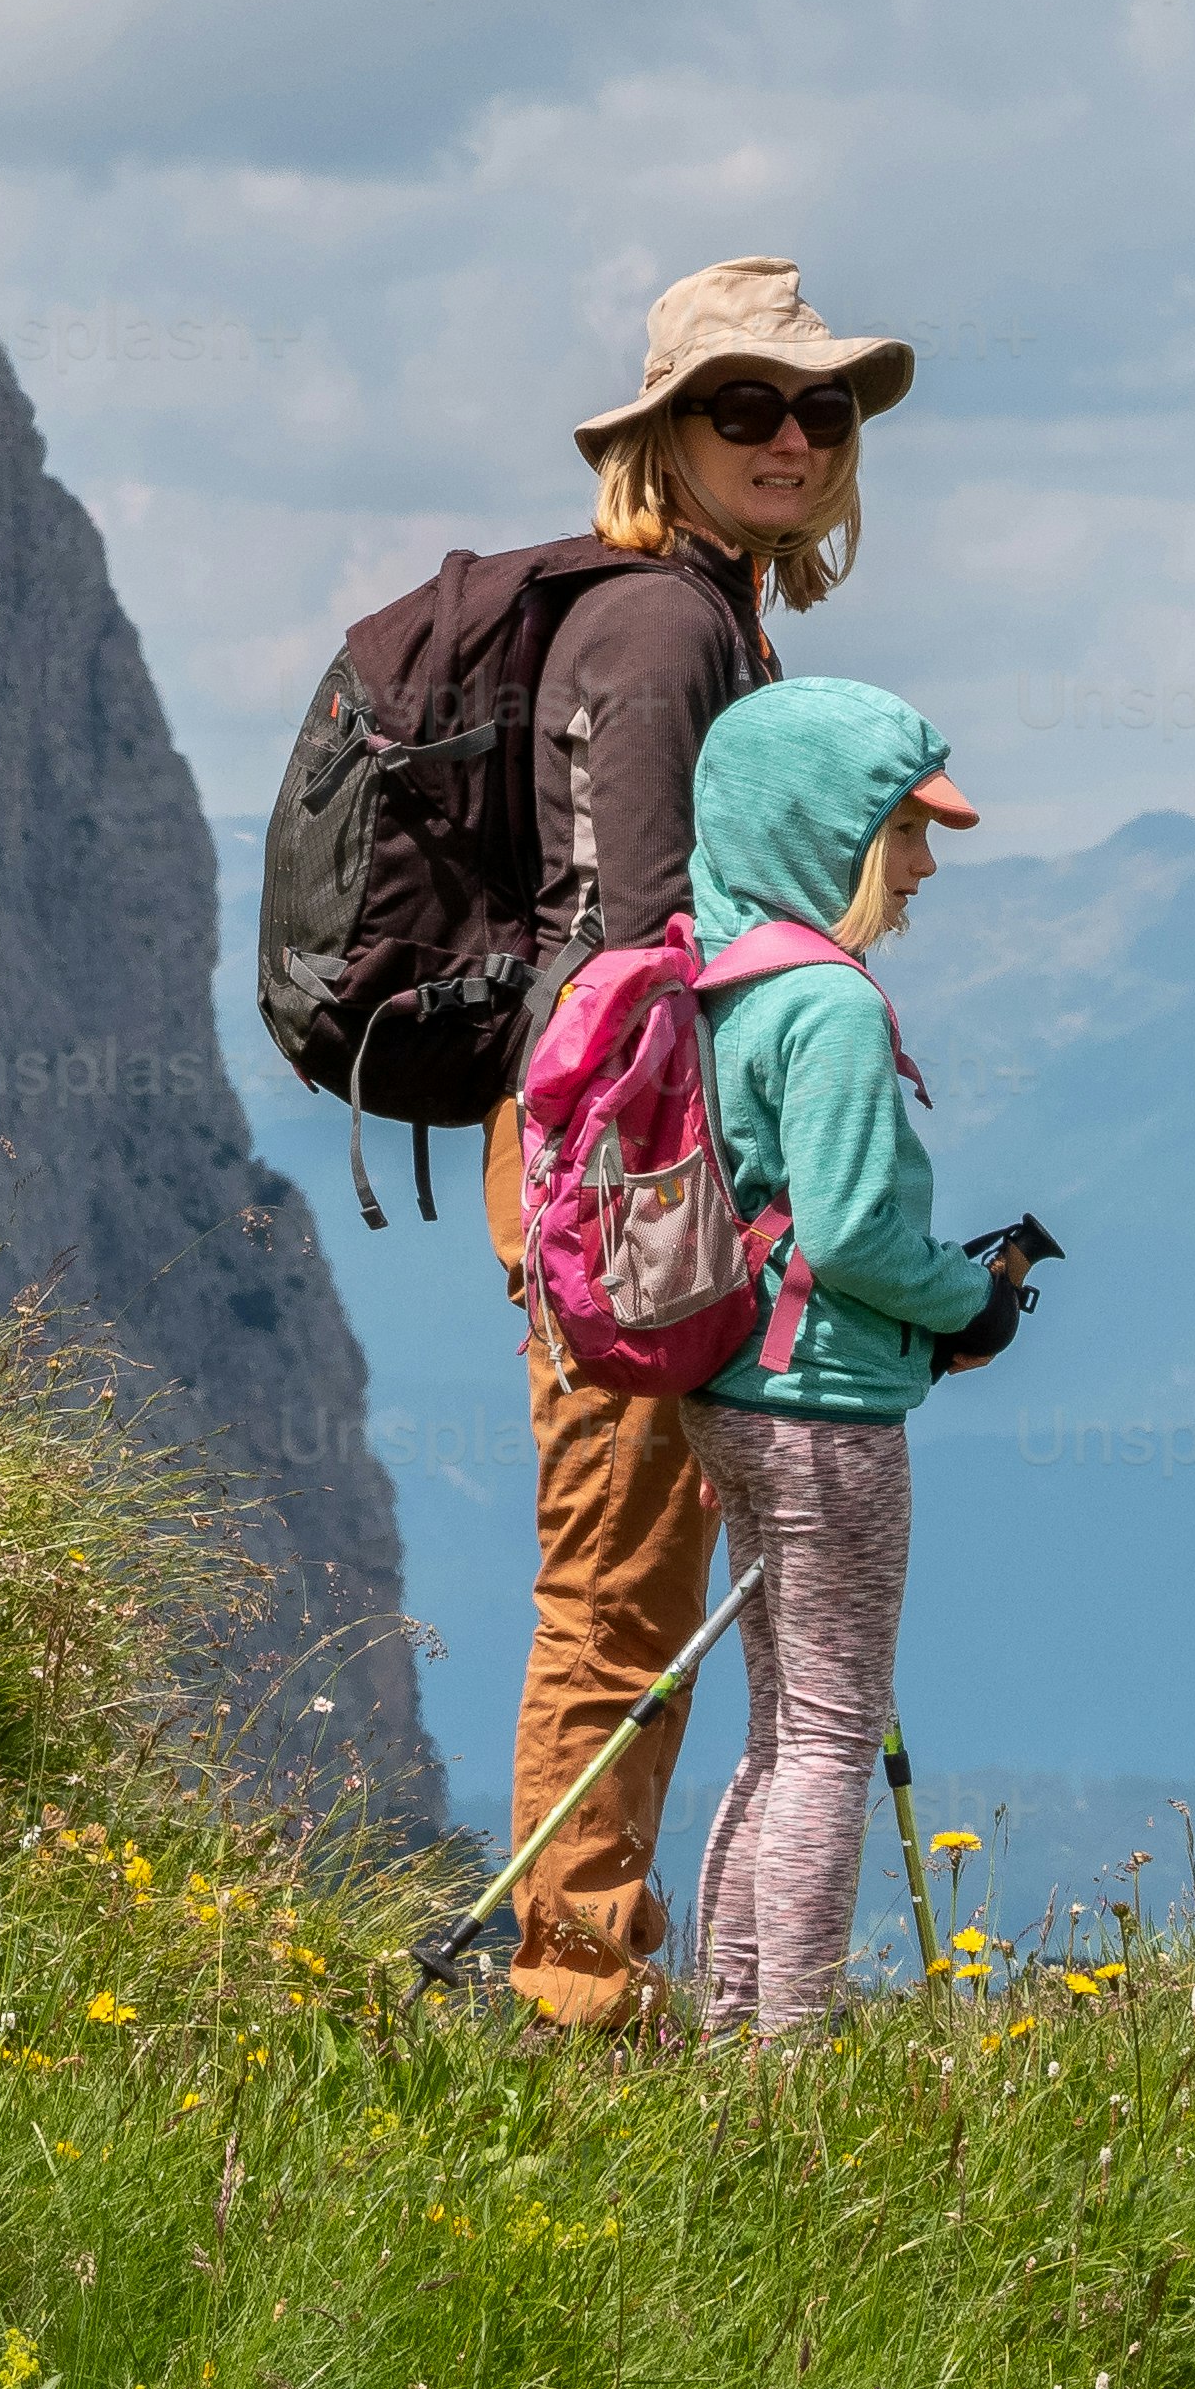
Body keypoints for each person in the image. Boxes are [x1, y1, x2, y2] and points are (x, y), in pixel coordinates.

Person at [489, 255, 908, 2032]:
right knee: (621, 1582)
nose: (793, 436)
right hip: (635, 1172)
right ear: (662, 435)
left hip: (620, 1160)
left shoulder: (708, 615)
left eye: (818, 408)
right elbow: (655, 948)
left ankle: (625, 1984)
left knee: (649, 1578)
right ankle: (574, 2003)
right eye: (745, 407)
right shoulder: (666, 628)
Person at [674, 673, 998, 2046]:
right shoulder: (834, 1007)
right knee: (829, 1735)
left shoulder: (725, 982)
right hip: (829, 1403)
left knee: (779, 1723)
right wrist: (971, 1300)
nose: (923, 866)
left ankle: (738, 2016)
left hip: (730, 1389)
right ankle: (788, 2055)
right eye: (902, 832)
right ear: (825, 832)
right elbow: (858, 1229)